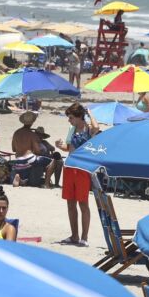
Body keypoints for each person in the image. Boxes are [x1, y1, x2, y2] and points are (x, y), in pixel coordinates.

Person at [55, 103, 99, 246]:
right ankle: (74, 235)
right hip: (69, 167)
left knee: (83, 203)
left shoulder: (88, 129)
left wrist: (89, 113)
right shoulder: (71, 129)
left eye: (71, 117)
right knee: (70, 203)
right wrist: (59, 146)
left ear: (80, 117)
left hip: (82, 169)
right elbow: (69, 148)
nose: (69, 120)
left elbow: (97, 128)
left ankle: (84, 237)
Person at [11, 111, 52, 188]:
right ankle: (46, 183)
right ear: (32, 122)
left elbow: (13, 149)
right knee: (51, 162)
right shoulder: (32, 134)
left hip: (18, 161)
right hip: (29, 159)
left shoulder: (16, 133)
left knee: (27, 165)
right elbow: (37, 151)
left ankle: (22, 180)